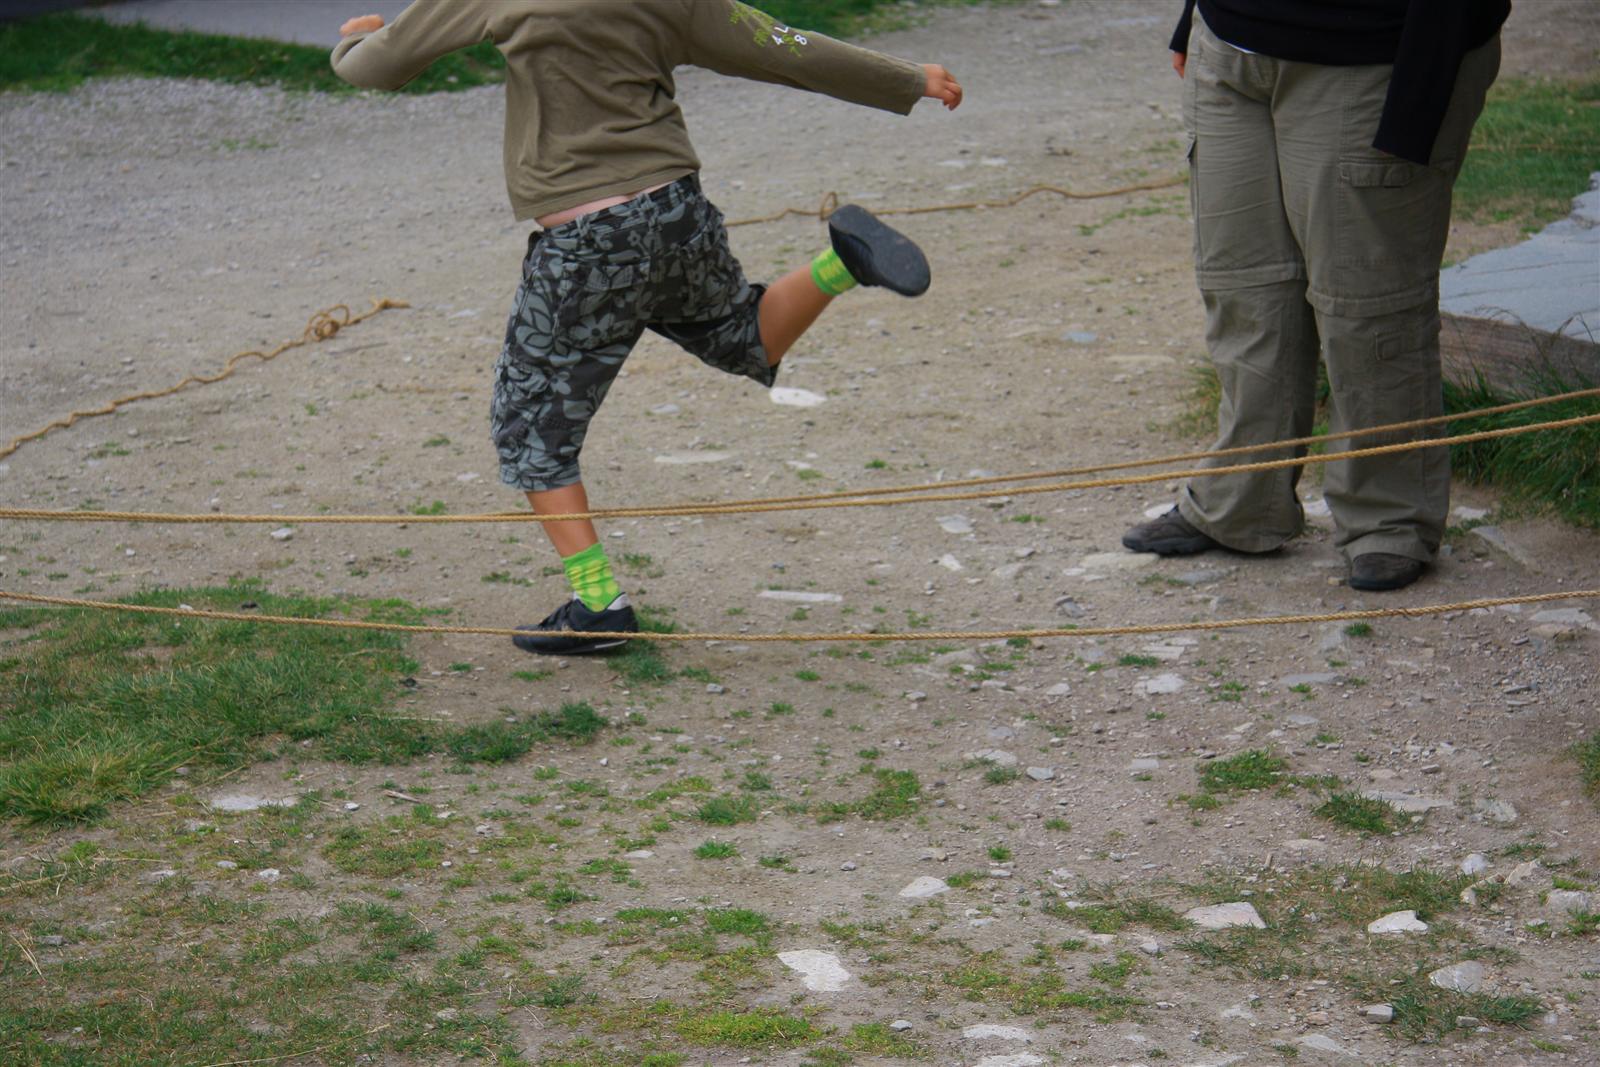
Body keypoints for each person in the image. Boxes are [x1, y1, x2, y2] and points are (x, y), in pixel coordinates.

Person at [333, 1, 962, 653]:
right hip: (674, 212)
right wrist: (908, 78)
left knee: (530, 427)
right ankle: (842, 263)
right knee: (744, 335)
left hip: (589, 243)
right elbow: (781, 47)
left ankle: (598, 605)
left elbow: (379, 67)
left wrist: (363, 40)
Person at [1121, 0, 1509, 591]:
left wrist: (1419, 93)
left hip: (1372, 61)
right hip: (1228, 47)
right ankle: (1240, 502)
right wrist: (1191, 17)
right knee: (1246, 293)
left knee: (1367, 309)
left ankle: (1388, 519)